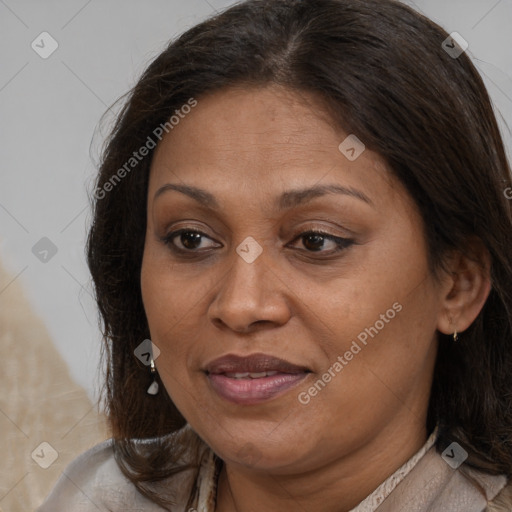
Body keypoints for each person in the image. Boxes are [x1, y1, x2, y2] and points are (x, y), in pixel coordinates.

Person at [38, 0, 512, 510]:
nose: (241, 305)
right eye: (191, 239)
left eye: (315, 240)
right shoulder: (97, 496)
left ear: (459, 284)